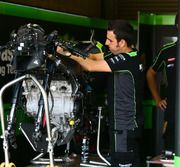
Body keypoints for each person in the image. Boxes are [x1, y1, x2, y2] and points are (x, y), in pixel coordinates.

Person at [57, 20, 144, 167]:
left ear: (122, 42)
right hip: (122, 126)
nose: (106, 42)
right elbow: (94, 57)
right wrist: (71, 49)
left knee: (124, 163)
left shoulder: (128, 60)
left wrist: (68, 54)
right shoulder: (124, 54)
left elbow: (91, 66)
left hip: (124, 128)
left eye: (110, 40)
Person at [146, 14, 179, 152]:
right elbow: (150, 74)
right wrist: (158, 99)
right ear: (178, 25)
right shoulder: (167, 50)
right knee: (171, 148)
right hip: (172, 110)